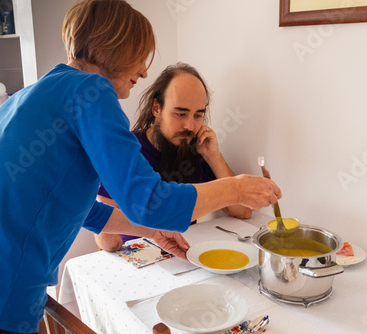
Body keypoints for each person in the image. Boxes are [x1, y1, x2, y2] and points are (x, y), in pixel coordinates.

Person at [0, 1, 281, 333]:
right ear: (113, 48)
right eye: (140, 57)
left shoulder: (32, 94)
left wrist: (152, 232)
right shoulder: (90, 90)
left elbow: (75, 209)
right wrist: (236, 188)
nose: (143, 72)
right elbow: (150, 202)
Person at [95, 63, 252, 251]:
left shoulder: (196, 148)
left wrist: (213, 156)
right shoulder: (126, 150)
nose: (190, 126)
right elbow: (107, 241)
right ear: (156, 108)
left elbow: (242, 211)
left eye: (198, 115)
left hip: (184, 256)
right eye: (180, 113)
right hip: (134, 258)